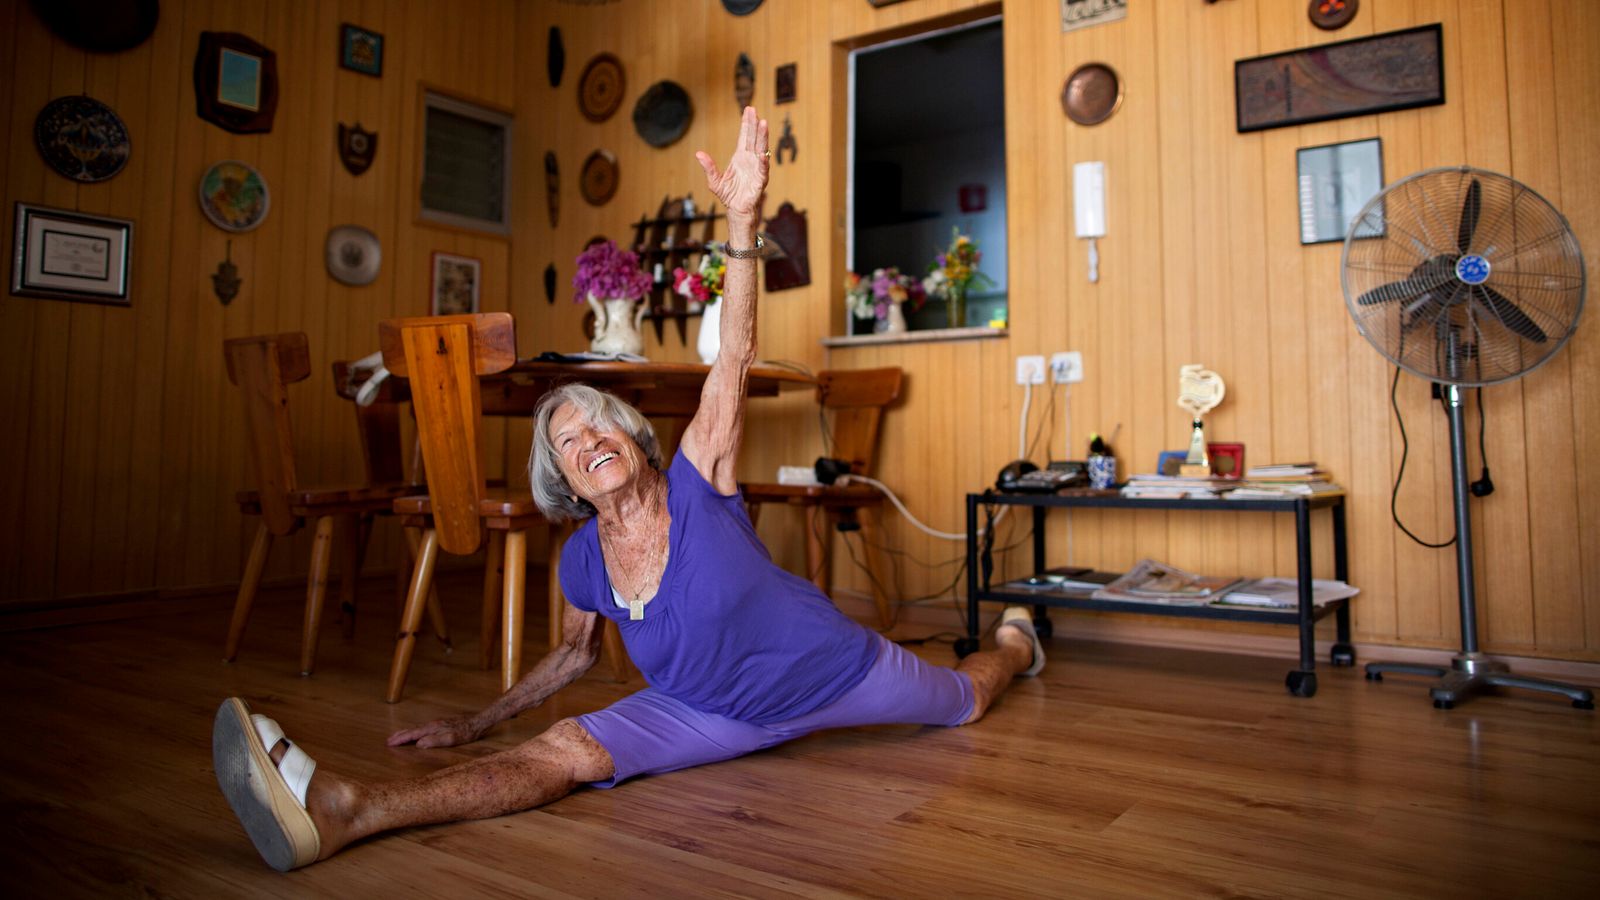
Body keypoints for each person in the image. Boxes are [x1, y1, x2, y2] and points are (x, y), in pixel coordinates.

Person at [211, 107, 1046, 873]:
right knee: (566, 750)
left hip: (839, 671)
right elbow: (573, 656)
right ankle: (344, 809)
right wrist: (475, 723)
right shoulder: (582, 560)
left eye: (601, 424)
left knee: (967, 698)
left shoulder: (699, 480)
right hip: (704, 712)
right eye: (568, 442)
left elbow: (734, 359)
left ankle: (1015, 642)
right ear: (563, 479)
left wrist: (744, 220)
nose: (589, 441)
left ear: (640, 442)